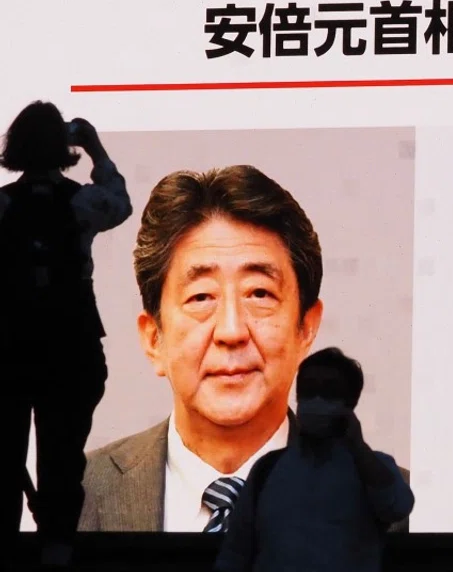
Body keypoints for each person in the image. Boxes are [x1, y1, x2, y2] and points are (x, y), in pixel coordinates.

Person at [78, 164, 409, 533]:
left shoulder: (394, 508)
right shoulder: (79, 494)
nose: (231, 331)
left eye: (259, 294)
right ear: (154, 338)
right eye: (201, 297)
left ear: (306, 327)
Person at [0, 101, 132, 570]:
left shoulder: (4, 204)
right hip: (70, 347)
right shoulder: (82, 203)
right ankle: (57, 548)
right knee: (62, 458)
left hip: (10, 349)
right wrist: (94, 147)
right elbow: (120, 201)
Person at [214, 347, 414, 572]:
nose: (315, 399)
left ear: (349, 403)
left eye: (328, 392)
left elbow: (398, 507)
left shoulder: (372, 468)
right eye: (308, 390)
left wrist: (359, 447)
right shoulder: (268, 468)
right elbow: (235, 553)